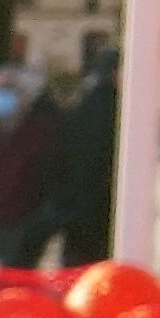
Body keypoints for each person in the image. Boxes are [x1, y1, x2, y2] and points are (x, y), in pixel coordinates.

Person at [43, 41, 122, 267]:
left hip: (75, 213)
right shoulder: (120, 112)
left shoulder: (79, 107)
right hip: (104, 212)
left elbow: (58, 158)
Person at [0, 58, 55, 267]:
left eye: (8, 88)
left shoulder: (42, 131)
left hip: (29, 221)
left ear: (25, 95)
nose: (0, 94)